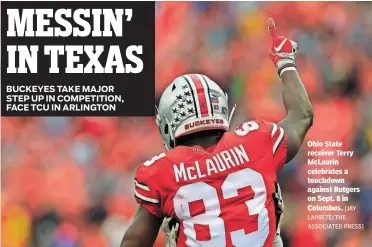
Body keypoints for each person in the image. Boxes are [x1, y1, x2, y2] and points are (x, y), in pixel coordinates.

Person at [120, 18, 313, 247]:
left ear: (168, 124)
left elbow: (134, 241)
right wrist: (285, 63)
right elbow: (302, 116)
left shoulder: (161, 172)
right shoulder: (257, 141)